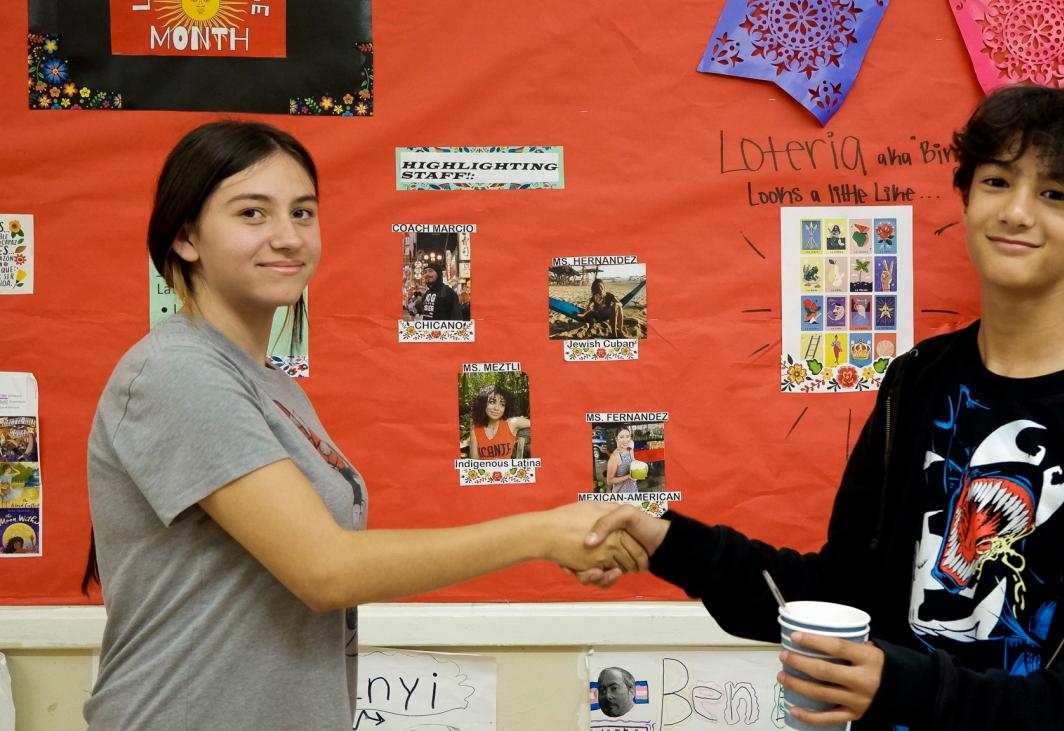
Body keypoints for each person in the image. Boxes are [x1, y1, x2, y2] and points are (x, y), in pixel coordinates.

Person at [580, 85, 1064, 731]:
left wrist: (913, 689)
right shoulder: (919, 380)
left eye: (1056, 194)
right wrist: (670, 543)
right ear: (967, 199)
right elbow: (842, 589)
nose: (1018, 212)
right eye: (997, 181)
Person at [83, 121, 644, 730]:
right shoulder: (178, 373)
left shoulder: (270, 384)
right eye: (252, 213)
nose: (287, 237)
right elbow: (326, 571)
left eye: (302, 213)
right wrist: (540, 533)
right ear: (186, 236)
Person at [467, 384, 531, 460]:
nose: (497, 408)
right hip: (485, 471)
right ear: (483, 404)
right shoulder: (475, 429)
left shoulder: (512, 423)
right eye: (492, 402)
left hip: (508, 471)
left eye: (502, 404)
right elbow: (475, 462)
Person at [604, 426, 640, 494]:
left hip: (634, 490)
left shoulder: (629, 449)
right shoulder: (614, 457)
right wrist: (628, 476)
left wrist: (636, 464)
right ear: (616, 439)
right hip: (621, 494)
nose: (625, 440)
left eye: (627, 436)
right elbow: (609, 481)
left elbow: (633, 459)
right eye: (621, 437)